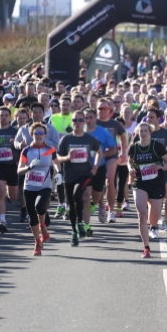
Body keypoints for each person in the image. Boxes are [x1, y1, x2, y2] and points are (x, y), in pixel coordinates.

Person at [56, 110, 102, 247]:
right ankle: (74, 232)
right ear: (72, 122)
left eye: (80, 120)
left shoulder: (89, 139)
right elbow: (58, 158)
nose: (77, 123)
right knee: (70, 206)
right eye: (75, 120)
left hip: (85, 174)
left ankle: (81, 222)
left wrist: (96, 166)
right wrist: (68, 158)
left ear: (84, 122)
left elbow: (99, 152)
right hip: (69, 175)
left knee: (78, 195)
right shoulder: (66, 139)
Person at [128, 122, 167, 257]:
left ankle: (153, 226)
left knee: (154, 214)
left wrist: (159, 166)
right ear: (138, 133)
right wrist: (131, 169)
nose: (143, 133)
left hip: (156, 183)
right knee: (142, 214)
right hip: (140, 182)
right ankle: (146, 248)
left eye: (146, 131)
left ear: (150, 132)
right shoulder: (134, 148)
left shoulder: (157, 146)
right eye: (141, 131)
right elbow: (129, 161)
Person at [17, 123, 59, 255]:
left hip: (45, 186)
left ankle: (43, 227)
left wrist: (59, 173)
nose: (39, 136)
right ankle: (37, 242)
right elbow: (19, 170)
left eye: (41, 133)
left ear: (45, 135)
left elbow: (57, 163)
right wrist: (29, 167)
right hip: (29, 187)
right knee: (32, 217)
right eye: (36, 133)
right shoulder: (26, 151)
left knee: (40, 206)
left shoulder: (50, 149)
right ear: (32, 135)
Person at [84, 108, 116, 235]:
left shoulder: (103, 132)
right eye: (86, 117)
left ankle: (98, 204)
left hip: (99, 167)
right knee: (85, 197)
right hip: (83, 168)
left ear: (95, 118)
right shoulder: (79, 132)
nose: (88, 120)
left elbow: (113, 149)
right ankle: (86, 225)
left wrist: (102, 155)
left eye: (91, 117)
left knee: (96, 197)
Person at [96, 98, 127, 223]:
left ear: (110, 110)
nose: (103, 111)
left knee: (110, 181)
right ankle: (101, 207)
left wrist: (123, 152)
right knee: (98, 184)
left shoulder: (115, 124)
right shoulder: (93, 122)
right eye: (100, 108)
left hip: (111, 156)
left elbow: (123, 136)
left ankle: (111, 212)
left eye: (105, 108)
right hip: (97, 156)